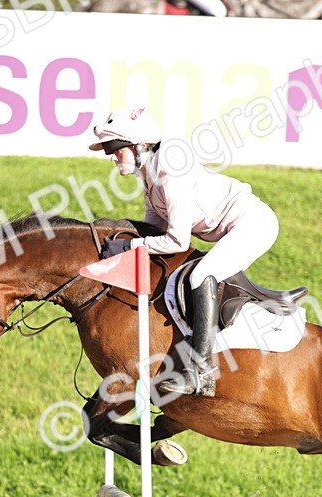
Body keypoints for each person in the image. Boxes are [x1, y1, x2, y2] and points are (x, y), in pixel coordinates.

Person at [89, 107, 279, 397]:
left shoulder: (170, 169)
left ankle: (200, 372)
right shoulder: (150, 173)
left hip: (254, 225)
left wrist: (130, 246)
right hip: (232, 227)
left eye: (115, 149)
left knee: (201, 274)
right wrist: (125, 245)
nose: (112, 157)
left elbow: (176, 241)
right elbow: (153, 230)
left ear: (139, 145)